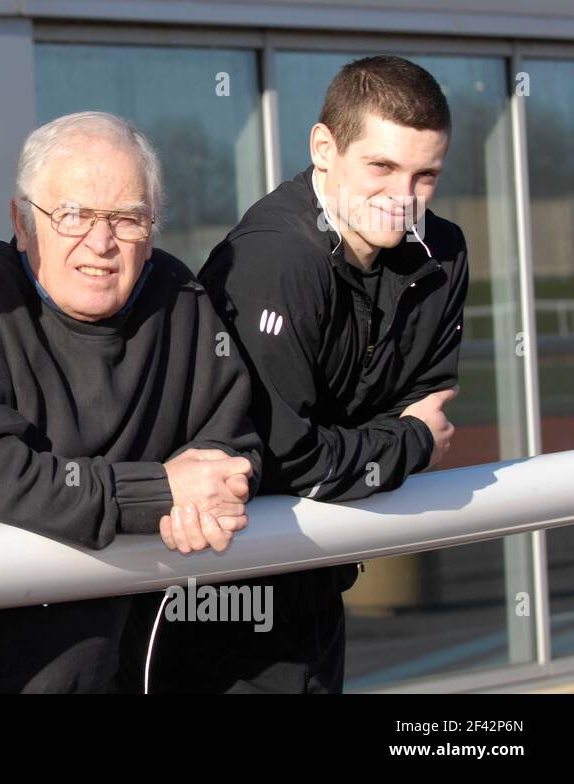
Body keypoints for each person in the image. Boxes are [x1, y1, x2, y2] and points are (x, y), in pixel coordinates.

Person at [0, 111, 261, 693]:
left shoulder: (179, 299)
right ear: (22, 221)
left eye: (127, 219)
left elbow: (233, 448)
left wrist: (202, 494)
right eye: (73, 215)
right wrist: (159, 492)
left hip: (131, 667)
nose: (101, 243)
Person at [164, 55, 469, 693]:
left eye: (425, 176)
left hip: (322, 574)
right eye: (381, 167)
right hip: (223, 592)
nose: (402, 200)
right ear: (323, 148)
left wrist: (369, 445)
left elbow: (429, 397)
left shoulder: (440, 251)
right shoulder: (275, 259)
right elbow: (281, 458)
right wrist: (407, 443)